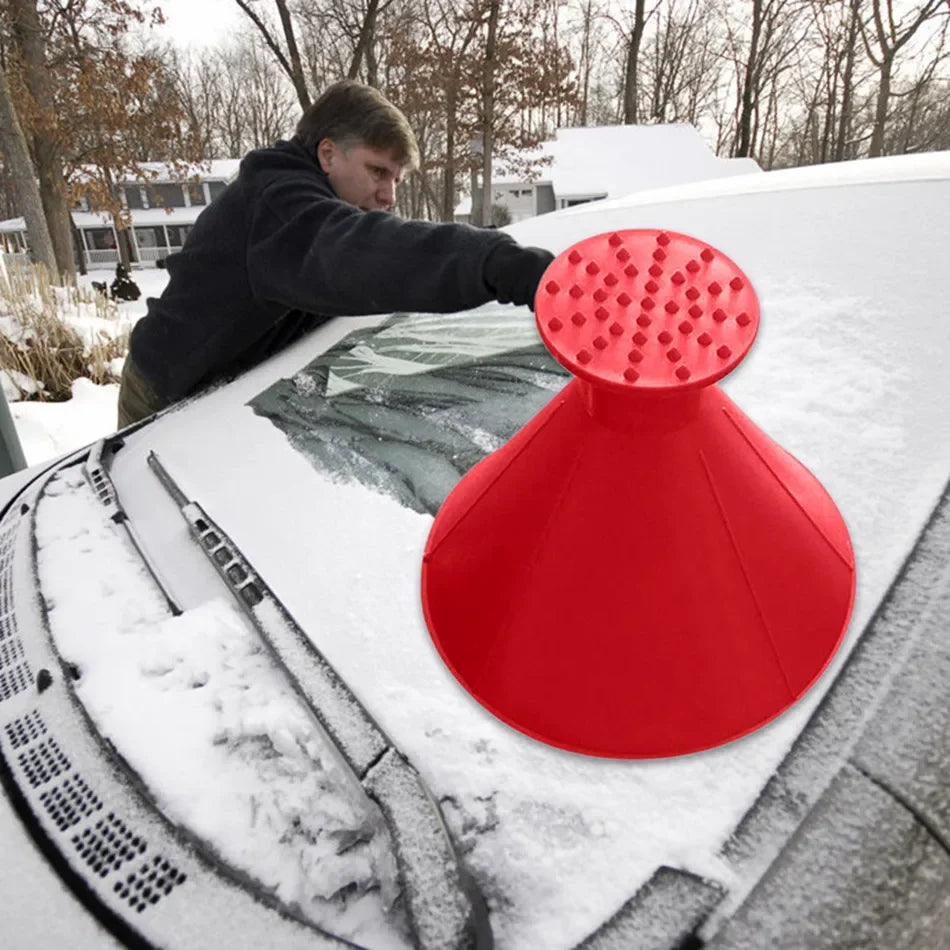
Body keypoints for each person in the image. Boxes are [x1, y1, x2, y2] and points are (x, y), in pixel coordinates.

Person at [118, 80, 554, 428]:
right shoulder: (280, 206)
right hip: (165, 396)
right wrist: (499, 264)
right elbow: (363, 254)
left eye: (397, 179)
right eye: (377, 171)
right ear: (327, 153)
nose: (388, 195)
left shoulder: (295, 201)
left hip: (226, 388)